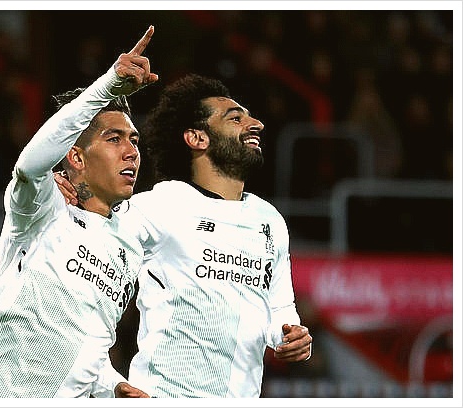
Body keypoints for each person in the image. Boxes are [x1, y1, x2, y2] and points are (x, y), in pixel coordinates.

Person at [56, 73, 313, 397]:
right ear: (196, 138)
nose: (256, 124)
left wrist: (289, 335)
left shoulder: (269, 220)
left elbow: (280, 308)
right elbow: (90, 233)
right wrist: (63, 194)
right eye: (235, 118)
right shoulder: (161, 205)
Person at [0, 26, 158, 398]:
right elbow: (29, 166)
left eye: (134, 140)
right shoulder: (44, 205)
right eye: (114, 139)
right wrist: (108, 86)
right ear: (76, 157)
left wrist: (113, 384)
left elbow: (87, 343)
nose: (131, 152)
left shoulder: (128, 247)